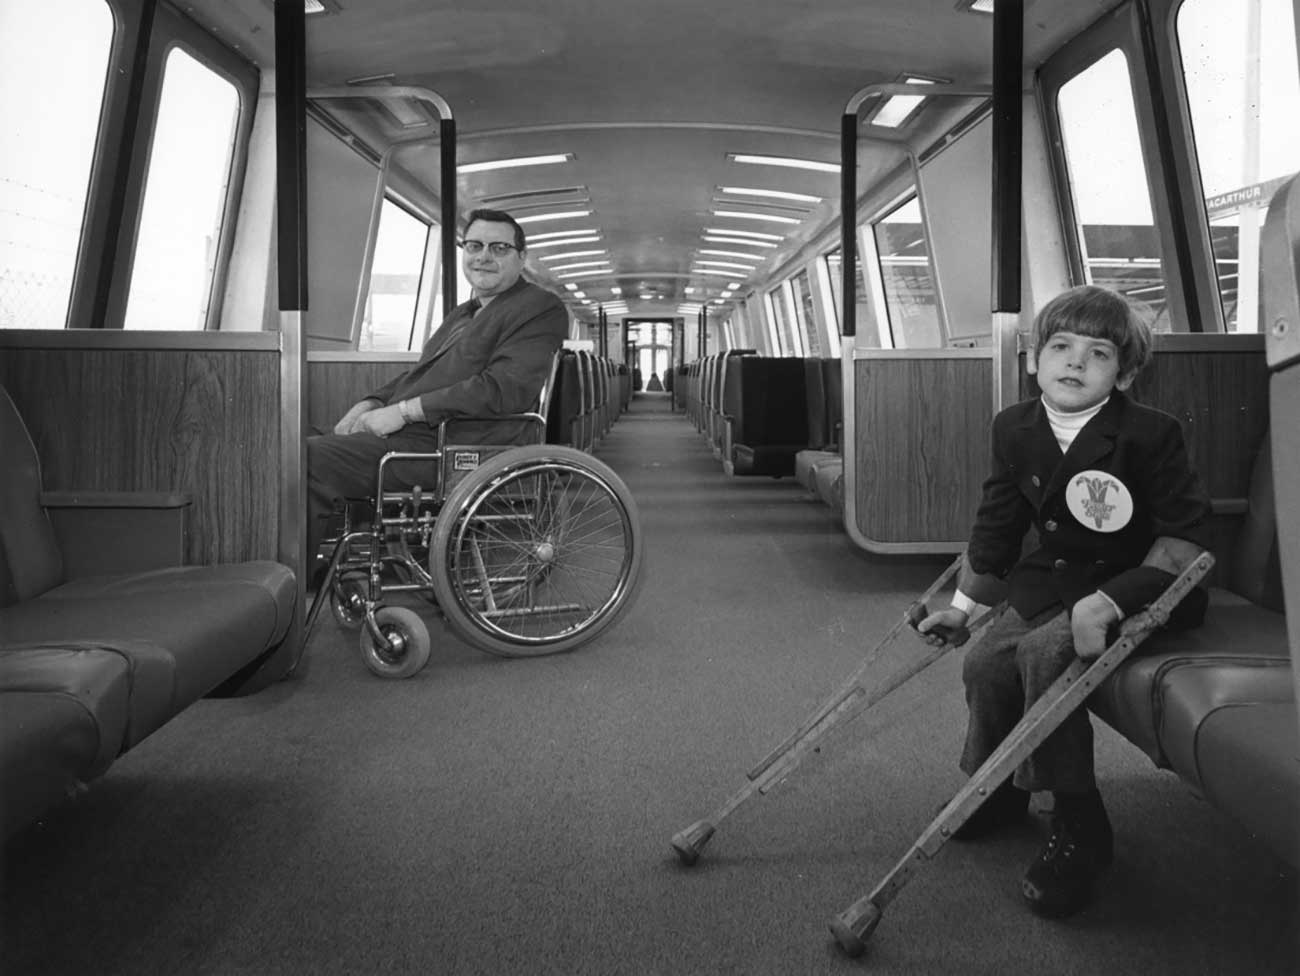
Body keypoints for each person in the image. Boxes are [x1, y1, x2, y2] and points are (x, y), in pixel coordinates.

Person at [917, 285, 1211, 919]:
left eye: (1097, 353)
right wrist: (963, 611)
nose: (1075, 363)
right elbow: (997, 526)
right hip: (1050, 582)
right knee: (987, 662)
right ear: (1034, 359)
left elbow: (1183, 539)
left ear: (1125, 372)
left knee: (1047, 656)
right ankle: (999, 786)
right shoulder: (1015, 427)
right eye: (1061, 346)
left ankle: (1081, 822)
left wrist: (1108, 600)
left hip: (1135, 585)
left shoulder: (1151, 435)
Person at [307, 208, 569, 573]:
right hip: (419, 436)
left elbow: (502, 390)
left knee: (308, 459)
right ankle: (334, 564)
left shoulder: (539, 308)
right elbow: (421, 374)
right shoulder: (463, 313)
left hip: (459, 445)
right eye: (475, 245)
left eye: (499, 248)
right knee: (294, 440)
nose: (484, 256)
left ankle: (294, 583)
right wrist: (372, 402)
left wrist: (401, 412)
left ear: (521, 258)